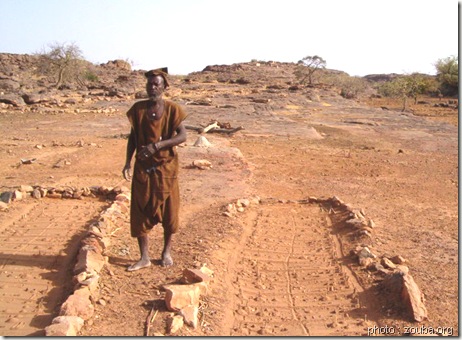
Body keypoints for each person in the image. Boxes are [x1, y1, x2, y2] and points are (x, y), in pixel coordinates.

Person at [122, 67, 187, 271]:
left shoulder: (172, 109)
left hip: (166, 168)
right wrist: (127, 161)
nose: (152, 87)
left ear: (164, 87)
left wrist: (157, 146)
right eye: (149, 84)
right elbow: (133, 137)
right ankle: (144, 257)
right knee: (140, 210)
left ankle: (166, 252)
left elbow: (182, 136)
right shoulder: (138, 110)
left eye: (156, 84)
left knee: (169, 210)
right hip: (143, 168)